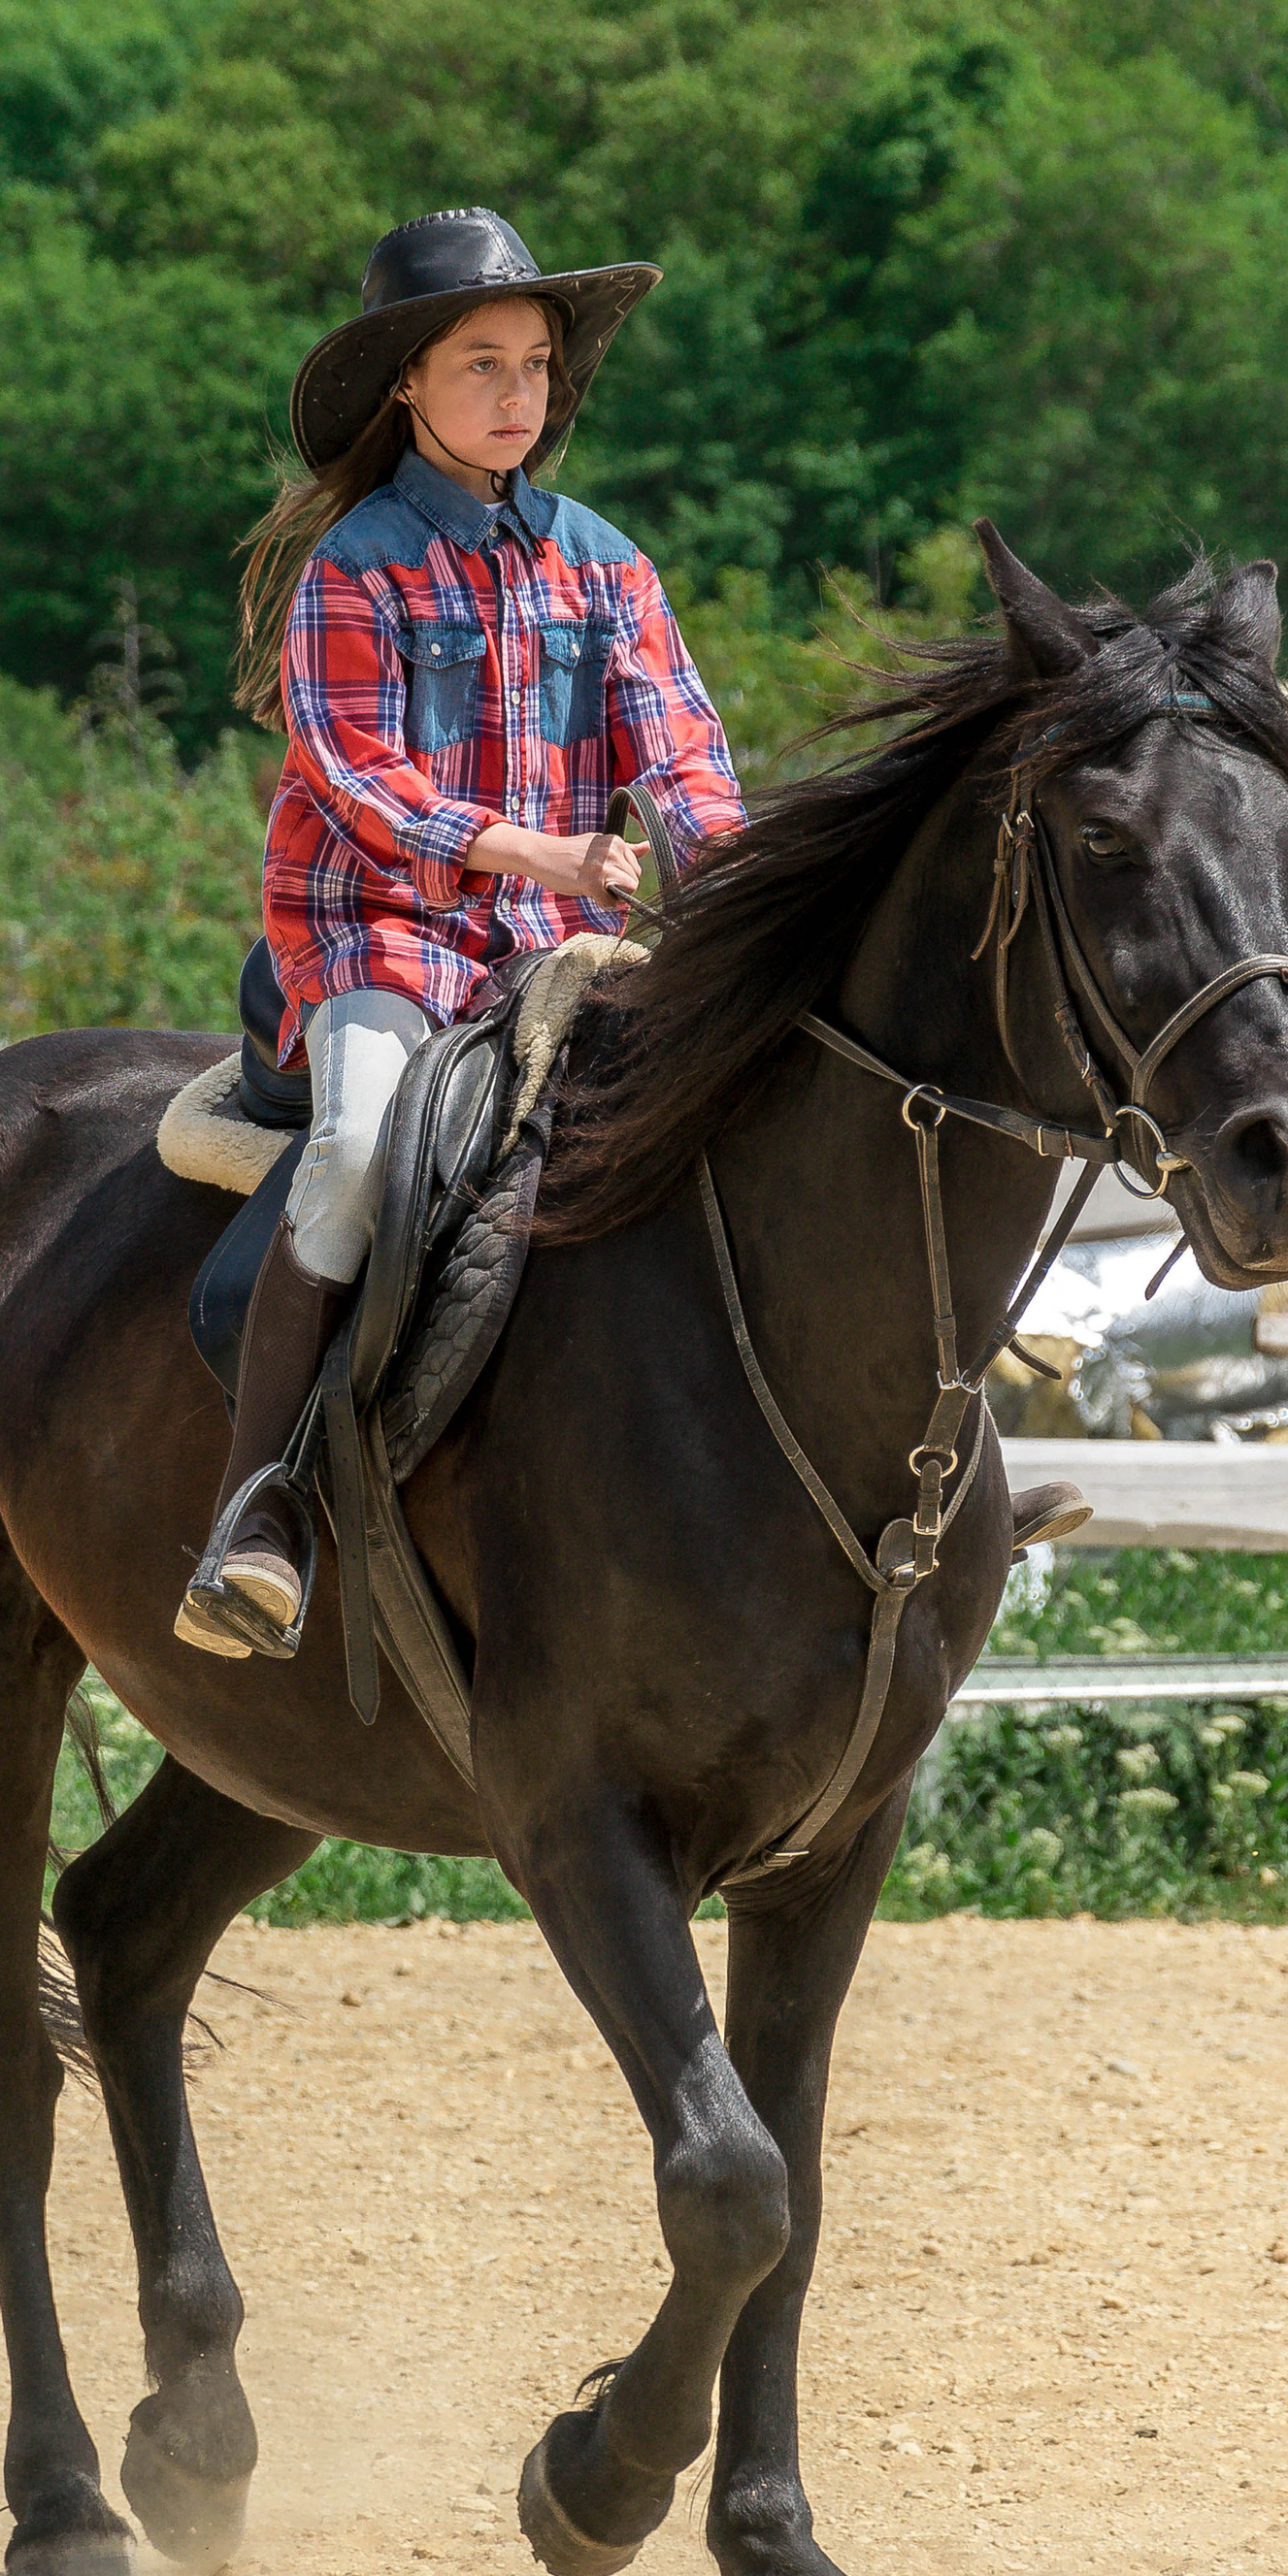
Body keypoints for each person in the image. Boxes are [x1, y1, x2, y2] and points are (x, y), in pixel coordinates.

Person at [176, 206, 747, 1660]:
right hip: (383, 937)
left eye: (537, 365)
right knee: (364, 1152)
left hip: (564, 948)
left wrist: (740, 892)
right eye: (481, 363)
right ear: (408, 391)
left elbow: (685, 763)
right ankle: (260, 1509)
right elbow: (362, 783)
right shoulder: (356, 564)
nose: (516, 393)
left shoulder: (604, 566)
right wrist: (540, 850)